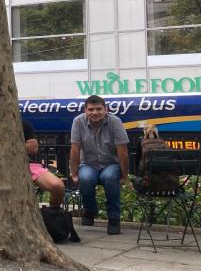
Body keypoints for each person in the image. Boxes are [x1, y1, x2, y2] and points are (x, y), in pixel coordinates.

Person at [69, 95, 130, 234]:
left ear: (105, 109)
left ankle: (114, 218)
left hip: (111, 164)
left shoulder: (115, 122)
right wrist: (73, 173)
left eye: (98, 109)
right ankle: (90, 210)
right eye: (90, 109)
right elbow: (75, 148)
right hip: (88, 164)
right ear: (85, 110)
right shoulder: (78, 122)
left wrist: (124, 175)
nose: (94, 113)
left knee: (109, 178)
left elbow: (123, 151)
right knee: (85, 178)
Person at [22, 118, 64, 208]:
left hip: (26, 164)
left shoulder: (22, 124)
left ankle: (53, 211)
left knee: (57, 186)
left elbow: (33, 147)